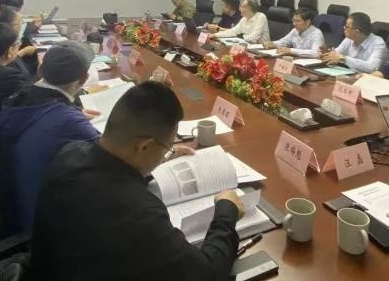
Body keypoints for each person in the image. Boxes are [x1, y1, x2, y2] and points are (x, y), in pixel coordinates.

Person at [31, 81, 244, 280]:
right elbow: (207, 273)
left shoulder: (70, 152)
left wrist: (157, 162)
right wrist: (226, 211)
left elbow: (106, 181)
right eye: (166, 148)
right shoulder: (138, 213)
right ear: (144, 146)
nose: (165, 153)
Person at [0, 41, 101, 237]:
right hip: (40, 229)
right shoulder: (70, 123)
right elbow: (116, 159)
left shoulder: (19, 97)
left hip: (10, 206)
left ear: (40, 69)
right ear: (84, 78)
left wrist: (71, 112)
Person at [321, 12, 389, 72]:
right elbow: (337, 54)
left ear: (356, 32)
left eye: (347, 27)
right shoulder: (349, 39)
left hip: (371, 79)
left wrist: (343, 59)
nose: (344, 28)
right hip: (351, 74)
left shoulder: (378, 44)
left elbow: (373, 68)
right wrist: (328, 54)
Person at [0, 6, 38, 77]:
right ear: (13, 26)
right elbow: (26, 79)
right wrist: (40, 74)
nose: (22, 25)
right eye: (21, 22)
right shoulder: (10, 67)